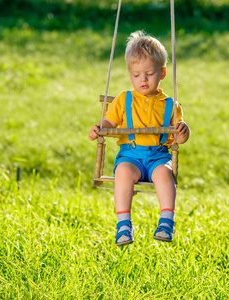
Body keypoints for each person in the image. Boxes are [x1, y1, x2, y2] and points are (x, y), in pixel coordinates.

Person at [88, 30, 190, 246]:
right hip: (130, 156)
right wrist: (99, 128)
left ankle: (166, 222)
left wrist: (183, 132)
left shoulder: (171, 105)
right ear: (130, 74)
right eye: (136, 75)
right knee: (123, 172)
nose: (142, 79)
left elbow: (178, 140)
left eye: (149, 74)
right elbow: (110, 122)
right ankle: (123, 225)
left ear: (162, 73)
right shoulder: (124, 99)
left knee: (165, 174)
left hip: (158, 157)